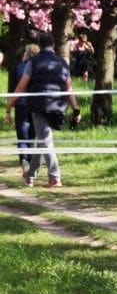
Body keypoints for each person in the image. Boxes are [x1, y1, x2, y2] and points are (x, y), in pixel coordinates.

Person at [5, 32, 80, 188]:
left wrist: (10, 105)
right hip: (58, 106)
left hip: (39, 106)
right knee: (42, 140)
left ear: (39, 44)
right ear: (53, 44)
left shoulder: (32, 62)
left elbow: (22, 85)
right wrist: (75, 109)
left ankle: (55, 177)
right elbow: (69, 88)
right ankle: (30, 176)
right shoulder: (62, 63)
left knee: (45, 141)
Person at [11, 44, 39, 173]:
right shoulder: (39, 68)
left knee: (22, 135)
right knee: (33, 135)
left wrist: (8, 109)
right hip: (35, 104)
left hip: (20, 104)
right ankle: (32, 164)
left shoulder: (18, 67)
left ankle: (24, 159)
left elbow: (11, 90)